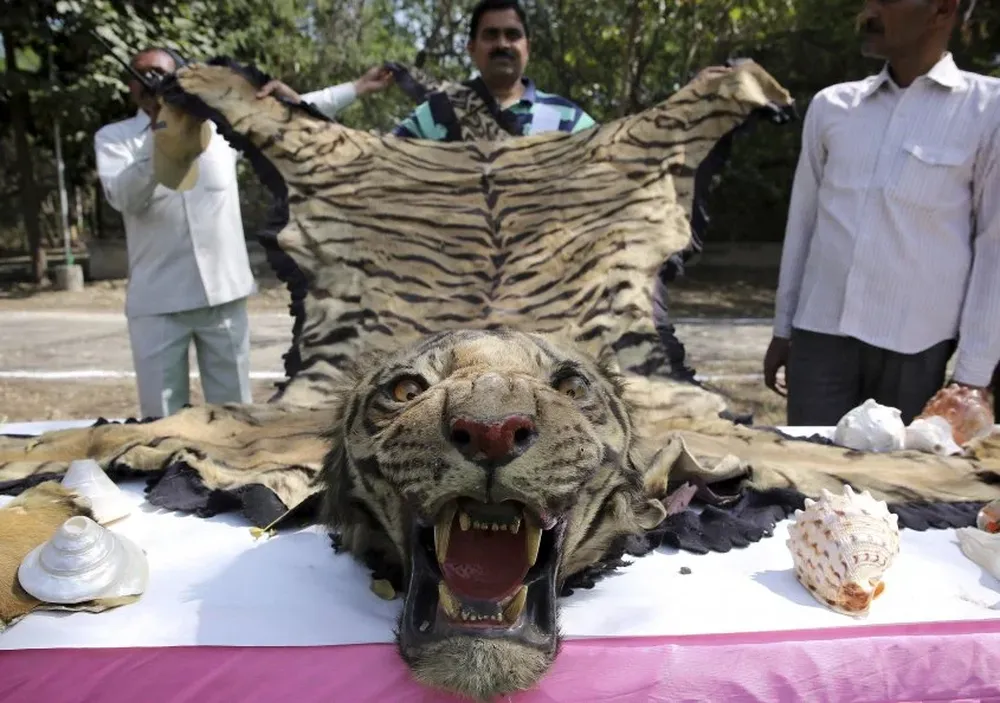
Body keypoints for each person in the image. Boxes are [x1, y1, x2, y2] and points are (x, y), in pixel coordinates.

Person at [94, 47, 392, 419]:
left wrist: (357, 87)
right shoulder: (115, 138)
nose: (151, 81)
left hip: (224, 297)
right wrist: (161, 133)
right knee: (161, 419)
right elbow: (125, 196)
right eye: (143, 74)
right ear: (129, 86)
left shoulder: (219, 129)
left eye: (162, 73)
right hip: (158, 303)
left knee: (233, 415)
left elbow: (291, 117)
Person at [762, 0, 999, 426]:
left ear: (942, 11)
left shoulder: (988, 111)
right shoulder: (832, 107)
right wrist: (784, 328)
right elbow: (803, 225)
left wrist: (972, 376)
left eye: (886, 2)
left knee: (901, 486)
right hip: (821, 340)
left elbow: (994, 244)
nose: (868, 12)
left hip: (916, 351)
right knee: (809, 483)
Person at [392, 0, 595, 140]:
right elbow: (384, 169)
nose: (502, 44)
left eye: (512, 35)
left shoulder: (568, 119)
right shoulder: (434, 113)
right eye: (491, 35)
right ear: (471, 48)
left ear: (528, 48)